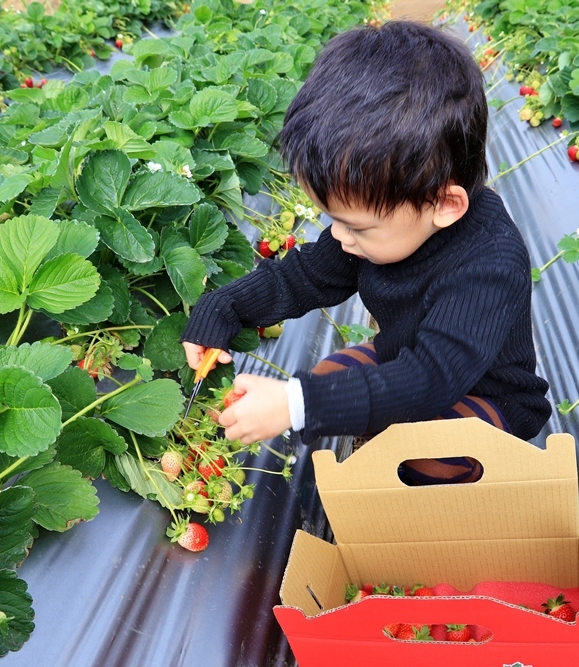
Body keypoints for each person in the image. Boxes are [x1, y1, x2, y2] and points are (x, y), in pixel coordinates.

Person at [181, 20, 551, 483]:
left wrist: (298, 404)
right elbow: (304, 276)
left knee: (424, 452)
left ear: (443, 204)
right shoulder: (378, 223)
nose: (339, 238)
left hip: (488, 399)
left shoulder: (490, 263)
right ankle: (378, 446)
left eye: (356, 225)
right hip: (407, 361)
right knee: (330, 372)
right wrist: (225, 306)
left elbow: (431, 379)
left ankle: (424, 518)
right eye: (334, 219)